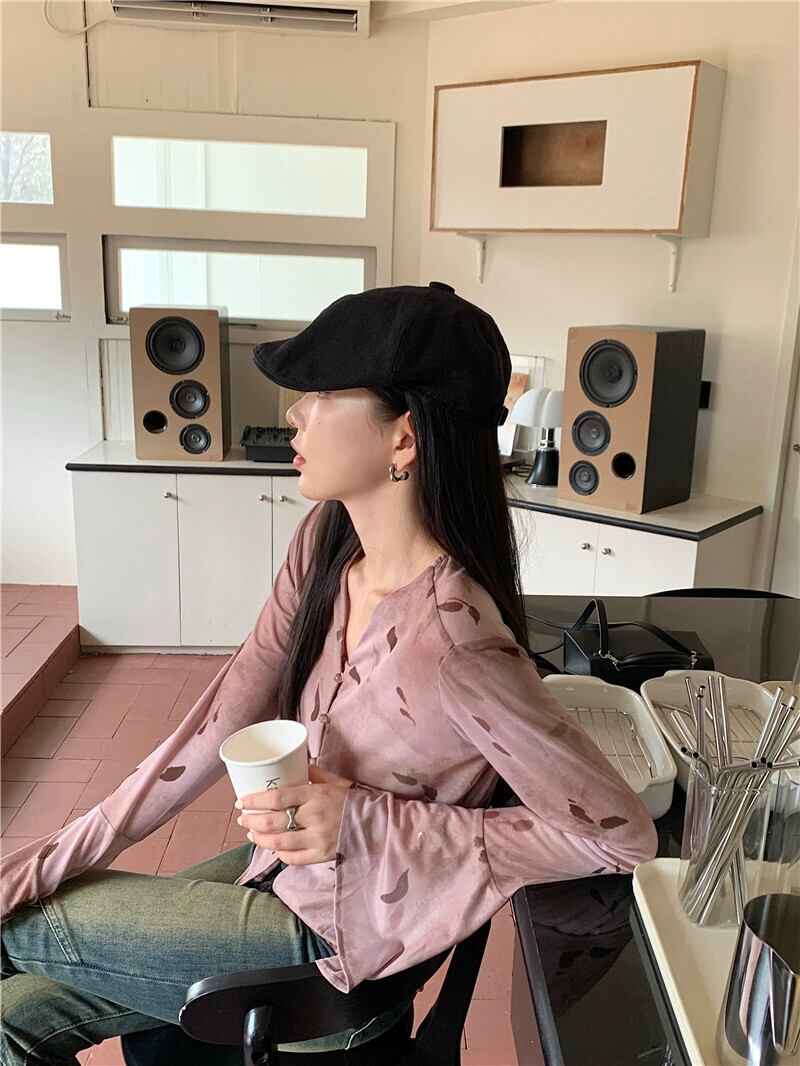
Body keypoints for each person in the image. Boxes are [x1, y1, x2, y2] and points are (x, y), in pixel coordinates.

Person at [0, 281, 658, 1064]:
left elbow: (620, 837)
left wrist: (365, 821)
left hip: (336, 948)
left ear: (404, 439)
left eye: (320, 393)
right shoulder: (325, 544)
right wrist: (47, 860)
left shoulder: (456, 640)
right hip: (278, 875)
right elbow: (215, 725)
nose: (293, 413)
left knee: (16, 929)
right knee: (12, 1012)